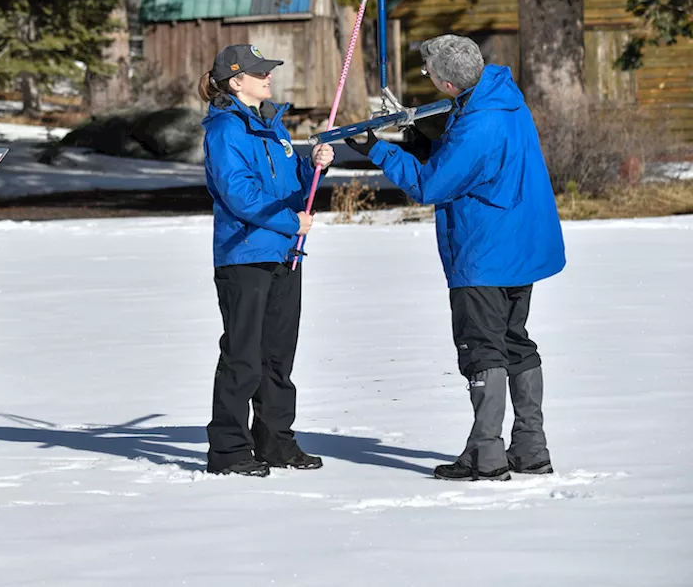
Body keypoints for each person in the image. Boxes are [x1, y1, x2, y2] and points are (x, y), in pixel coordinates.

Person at [346, 34, 564, 481]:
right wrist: (416, 138)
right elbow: (463, 161)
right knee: (514, 342)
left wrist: (378, 150)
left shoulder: (478, 122)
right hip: (518, 245)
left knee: (483, 350)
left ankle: (487, 456)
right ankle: (530, 448)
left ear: (447, 84)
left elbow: (431, 185)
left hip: (486, 251)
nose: (427, 80)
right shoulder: (501, 99)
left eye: (429, 75)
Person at [200, 44, 335, 476]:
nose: (268, 77)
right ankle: (228, 450)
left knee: (278, 356)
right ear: (236, 81)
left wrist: (315, 166)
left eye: (268, 71)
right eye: (259, 72)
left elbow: (295, 183)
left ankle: (275, 441)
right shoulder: (225, 131)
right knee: (243, 357)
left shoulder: (273, 127)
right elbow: (239, 194)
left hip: (283, 253)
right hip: (244, 255)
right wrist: (288, 220)